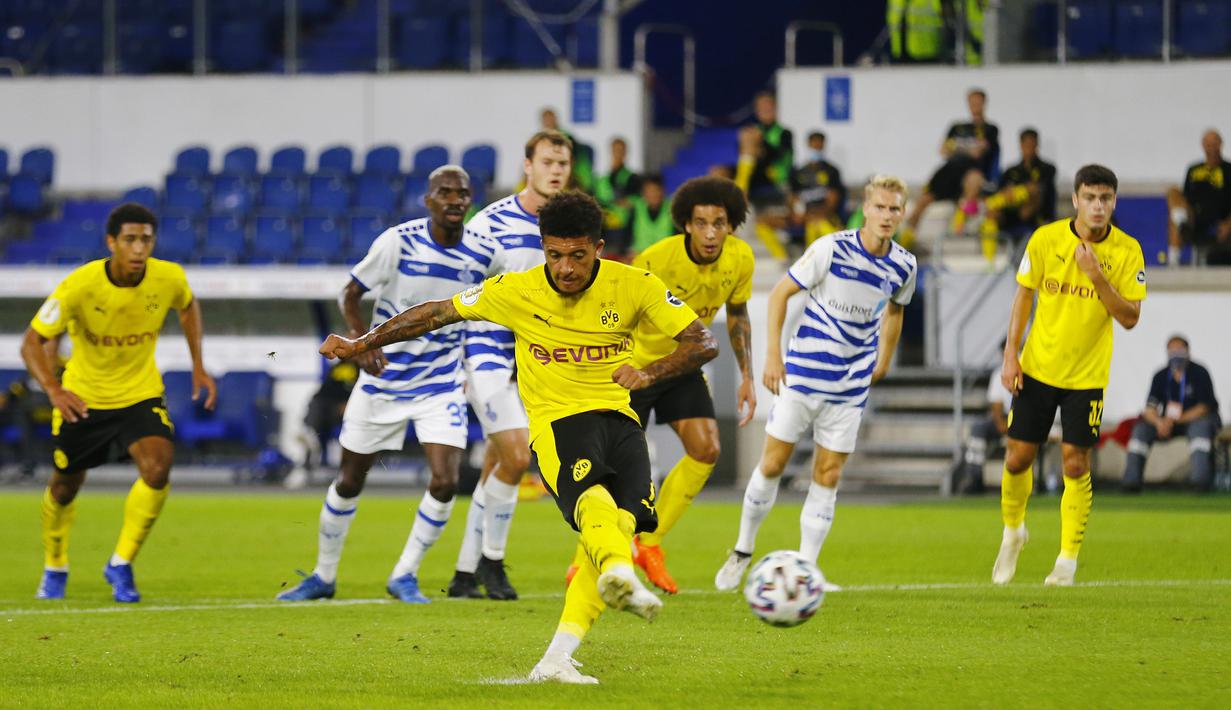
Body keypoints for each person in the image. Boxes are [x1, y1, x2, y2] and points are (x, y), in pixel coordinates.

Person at [318, 191, 718, 684]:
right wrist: (361, 342)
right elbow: (435, 313)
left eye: (577, 255)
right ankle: (620, 570)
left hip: (621, 419)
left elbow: (703, 342)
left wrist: (650, 372)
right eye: (554, 255)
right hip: (558, 423)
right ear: (543, 247)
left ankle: (557, 657)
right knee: (594, 505)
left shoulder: (635, 284)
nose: (566, 268)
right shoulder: (517, 289)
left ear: (598, 247)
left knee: (622, 522)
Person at [276, 166, 493, 604]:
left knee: (446, 480)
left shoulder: (485, 254)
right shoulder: (399, 241)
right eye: (444, 192)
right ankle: (323, 575)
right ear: (428, 200)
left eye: (463, 193)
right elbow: (350, 294)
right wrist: (360, 345)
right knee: (351, 478)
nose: (454, 199)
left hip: (441, 384)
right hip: (384, 380)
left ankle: (404, 574)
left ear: (471, 200)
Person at [714, 175, 918, 592]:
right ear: (866, 208)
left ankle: (806, 571)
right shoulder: (831, 248)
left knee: (827, 474)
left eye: (894, 208)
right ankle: (742, 550)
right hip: (804, 374)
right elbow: (779, 295)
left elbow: (895, 312)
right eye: (880, 207)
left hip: (850, 384)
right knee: (772, 464)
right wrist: (773, 354)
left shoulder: (904, 265)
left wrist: (885, 357)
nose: (886, 215)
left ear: (902, 212)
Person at [563, 176, 756, 594]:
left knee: (706, 450)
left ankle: (649, 544)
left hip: (681, 366)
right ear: (686, 224)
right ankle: (588, 558)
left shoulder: (741, 259)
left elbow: (738, 316)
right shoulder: (655, 259)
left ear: (731, 226)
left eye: (719, 223)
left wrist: (748, 378)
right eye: (701, 223)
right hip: (633, 368)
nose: (709, 233)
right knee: (613, 469)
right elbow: (613, 307)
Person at [22, 202, 217, 602]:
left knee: (159, 468)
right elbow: (31, 342)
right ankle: (55, 565)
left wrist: (199, 364)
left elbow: (187, 305)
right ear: (111, 242)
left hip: (139, 394)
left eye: (146, 239)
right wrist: (55, 391)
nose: (139, 248)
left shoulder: (168, 277)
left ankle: (121, 564)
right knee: (64, 488)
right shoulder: (79, 285)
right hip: (83, 399)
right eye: (130, 239)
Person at [992, 164, 1146, 587]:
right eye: (1090, 198)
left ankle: (1067, 560)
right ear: (1075, 200)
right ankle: (1013, 531)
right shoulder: (1045, 239)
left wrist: (1097, 275)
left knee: (1075, 464)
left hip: (1087, 376)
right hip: (1038, 368)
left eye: (1106, 199)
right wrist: (1011, 354)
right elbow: (1023, 295)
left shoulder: (1127, 251)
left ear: (1113, 202)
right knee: (1018, 457)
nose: (1098, 206)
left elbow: (1130, 317)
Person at [447, 129, 572, 602]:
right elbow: (460, 294)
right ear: (528, 165)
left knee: (499, 464)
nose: (556, 170)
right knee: (518, 457)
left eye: (563, 163)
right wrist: (455, 362)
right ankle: (493, 564)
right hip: (487, 350)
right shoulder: (490, 223)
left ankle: (463, 575)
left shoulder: (568, 223)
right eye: (547, 162)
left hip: (539, 356)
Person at [1121, 336, 1221, 492]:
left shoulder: (1200, 372)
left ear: (1188, 351)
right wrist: (1159, 422)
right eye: (1172, 350)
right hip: (1168, 423)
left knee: (1200, 429)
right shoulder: (1161, 375)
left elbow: (1204, 407)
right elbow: (1150, 408)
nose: (1176, 354)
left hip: (1195, 421)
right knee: (1141, 430)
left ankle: (1200, 483)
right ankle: (1131, 482)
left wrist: (1179, 419)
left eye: (1179, 350)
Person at [903, 88, 1000, 248]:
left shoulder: (990, 128)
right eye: (972, 101)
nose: (975, 105)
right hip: (950, 170)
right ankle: (907, 240)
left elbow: (978, 152)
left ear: (984, 103)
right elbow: (943, 150)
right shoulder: (957, 127)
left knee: (973, 180)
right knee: (923, 200)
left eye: (978, 101)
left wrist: (956, 146)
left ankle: (958, 229)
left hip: (972, 171)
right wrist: (965, 148)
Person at [283, 361, 359, 490]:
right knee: (316, 405)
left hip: (346, 409)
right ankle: (310, 434)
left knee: (319, 422)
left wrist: (350, 403)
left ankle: (309, 433)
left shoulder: (362, 366)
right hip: (326, 406)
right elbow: (325, 390)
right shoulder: (337, 366)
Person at [1166, 129, 1231, 266]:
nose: (1211, 148)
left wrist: (1228, 225)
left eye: (1214, 143)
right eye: (1208, 144)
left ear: (1221, 145)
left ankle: (1182, 224)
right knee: (1172, 193)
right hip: (1194, 218)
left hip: (1219, 220)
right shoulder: (1193, 169)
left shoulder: (1228, 169)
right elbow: (1185, 197)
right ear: (1203, 146)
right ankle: (1173, 259)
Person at [791, 131, 847, 247]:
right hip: (806, 216)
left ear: (823, 146)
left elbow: (832, 200)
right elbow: (793, 197)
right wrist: (800, 213)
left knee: (821, 228)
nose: (816, 149)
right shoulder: (798, 172)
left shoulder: (832, 171)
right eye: (813, 146)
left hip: (826, 217)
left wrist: (817, 214)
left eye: (819, 146)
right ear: (808, 145)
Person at [593, 136, 642, 257]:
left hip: (625, 231)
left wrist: (621, 203)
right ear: (611, 151)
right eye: (616, 150)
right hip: (605, 229)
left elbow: (637, 201)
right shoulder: (602, 180)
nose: (618, 153)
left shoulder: (633, 178)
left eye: (621, 150)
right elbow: (597, 201)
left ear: (626, 152)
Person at [629, 174, 674, 254]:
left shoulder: (672, 209)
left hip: (665, 256)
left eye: (656, 190)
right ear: (643, 193)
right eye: (649, 191)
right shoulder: (636, 208)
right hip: (640, 256)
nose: (653, 194)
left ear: (662, 191)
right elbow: (627, 236)